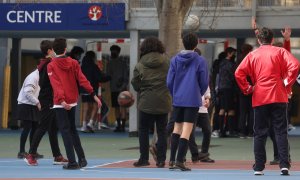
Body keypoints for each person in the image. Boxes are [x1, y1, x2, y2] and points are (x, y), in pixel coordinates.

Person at [235, 27, 299, 176]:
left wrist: (248, 89)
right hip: (279, 95)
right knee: (281, 131)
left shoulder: (252, 55)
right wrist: (286, 83)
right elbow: (295, 65)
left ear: (259, 40)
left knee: (259, 133)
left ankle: (258, 167)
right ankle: (284, 164)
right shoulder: (280, 52)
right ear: (272, 39)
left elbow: (239, 73)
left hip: (260, 96)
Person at [47, 37, 101, 170]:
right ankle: (82, 158)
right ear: (66, 49)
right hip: (72, 100)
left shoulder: (51, 65)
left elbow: (56, 84)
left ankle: (72, 162)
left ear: (53, 50)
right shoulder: (74, 63)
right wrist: (93, 94)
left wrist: (61, 100)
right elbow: (82, 80)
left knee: (65, 131)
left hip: (61, 103)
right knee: (72, 130)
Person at [167, 32, 209, 171]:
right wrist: (199, 93)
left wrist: (175, 93)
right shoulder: (200, 60)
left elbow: (169, 81)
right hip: (192, 99)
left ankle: (172, 160)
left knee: (176, 128)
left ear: (182, 43)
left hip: (178, 99)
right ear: (196, 44)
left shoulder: (174, 60)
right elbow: (204, 81)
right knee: (187, 130)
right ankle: (180, 160)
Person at [24, 40, 68, 166]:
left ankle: (57, 156)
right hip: (47, 99)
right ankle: (31, 154)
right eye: (54, 49)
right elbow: (45, 83)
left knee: (53, 128)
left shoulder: (46, 63)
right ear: (49, 51)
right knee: (42, 127)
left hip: (51, 99)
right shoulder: (49, 64)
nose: (56, 52)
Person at [131, 37, 171, 168]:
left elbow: (135, 83)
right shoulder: (167, 62)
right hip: (163, 101)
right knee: (162, 131)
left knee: (143, 130)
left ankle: (144, 158)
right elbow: (172, 79)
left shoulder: (140, 64)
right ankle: (161, 160)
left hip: (146, 102)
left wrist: (141, 89)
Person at [80, 51, 111, 132]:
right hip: (92, 88)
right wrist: (109, 77)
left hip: (83, 89)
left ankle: (83, 125)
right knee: (96, 105)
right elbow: (99, 78)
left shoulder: (82, 67)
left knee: (86, 107)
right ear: (92, 57)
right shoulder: (94, 66)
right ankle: (90, 123)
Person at [16, 69, 43, 159]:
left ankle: (32, 151)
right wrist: (37, 102)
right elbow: (27, 93)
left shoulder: (40, 77)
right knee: (27, 128)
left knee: (35, 128)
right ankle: (21, 151)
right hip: (25, 104)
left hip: (32, 104)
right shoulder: (33, 77)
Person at [107, 45, 129, 132]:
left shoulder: (109, 63)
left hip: (114, 89)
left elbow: (108, 75)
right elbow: (126, 77)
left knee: (116, 107)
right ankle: (122, 126)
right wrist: (123, 86)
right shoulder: (123, 63)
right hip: (122, 89)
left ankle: (119, 125)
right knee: (122, 107)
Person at [218, 47, 238, 137]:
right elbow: (233, 76)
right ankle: (230, 130)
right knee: (231, 109)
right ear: (229, 53)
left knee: (222, 109)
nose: (234, 55)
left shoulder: (221, 63)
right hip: (228, 88)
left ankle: (221, 130)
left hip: (221, 87)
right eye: (233, 53)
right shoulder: (230, 64)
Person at [236, 44, 254, 138]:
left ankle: (242, 132)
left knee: (242, 112)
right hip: (252, 88)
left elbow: (237, 74)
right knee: (252, 111)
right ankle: (251, 132)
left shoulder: (239, 60)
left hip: (242, 88)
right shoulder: (251, 59)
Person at [210, 51, 226, 138]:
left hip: (215, 91)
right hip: (219, 91)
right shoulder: (220, 68)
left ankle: (215, 129)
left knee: (216, 111)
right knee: (219, 110)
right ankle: (218, 129)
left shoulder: (214, 67)